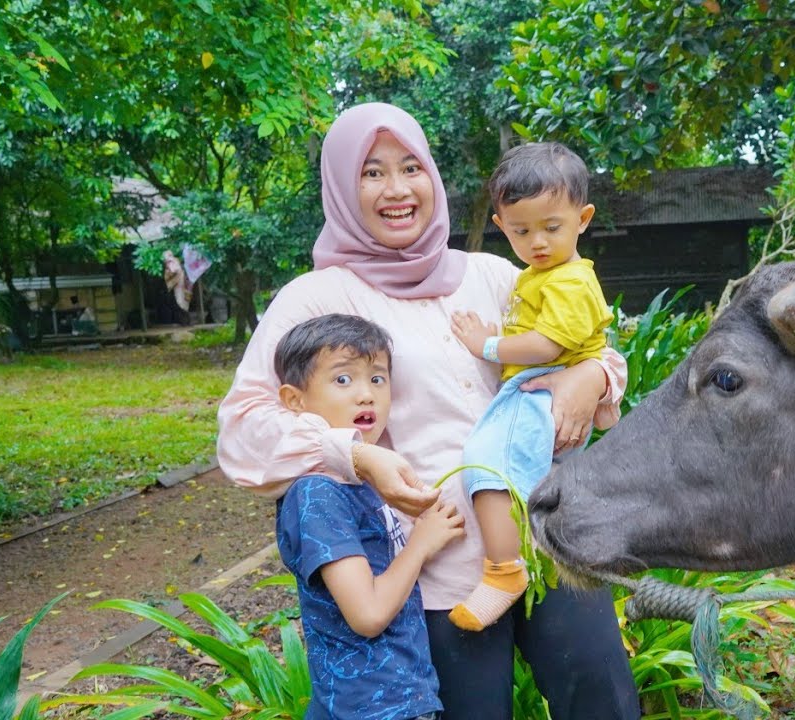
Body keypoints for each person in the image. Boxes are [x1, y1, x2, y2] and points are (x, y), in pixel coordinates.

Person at [217, 102, 640, 719]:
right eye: (371, 172)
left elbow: (592, 347)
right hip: (439, 570)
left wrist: (591, 377)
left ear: (433, 179)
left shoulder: (497, 275)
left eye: (410, 167)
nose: (396, 189)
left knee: (604, 706)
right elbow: (243, 431)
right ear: (340, 186)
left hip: (551, 539)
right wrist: (359, 457)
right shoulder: (315, 298)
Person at [447, 142, 611, 631]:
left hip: (539, 389)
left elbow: (545, 346)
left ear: (582, 218)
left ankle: (503, 571)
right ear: (501, 226)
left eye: (551, 227)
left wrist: (488, 345)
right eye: (521, 231)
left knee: (484, 463)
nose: (537, 241)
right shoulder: (540, 275)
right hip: (545, 390)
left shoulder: (569, 281)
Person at [272, 313, 464, 720]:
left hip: (394, 698)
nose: (366, 394)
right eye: (343, 380)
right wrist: (420, 546)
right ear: (295, 401)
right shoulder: (317, 494)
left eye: (377, 379)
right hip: (368, 706)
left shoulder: (358, 485)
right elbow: (368, 614)